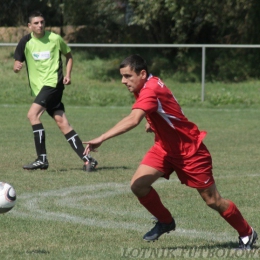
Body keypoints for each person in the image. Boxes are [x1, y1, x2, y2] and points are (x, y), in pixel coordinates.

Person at [83, 54, 257, 249]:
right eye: (122, 76)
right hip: (164, 148)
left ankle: (247, 233)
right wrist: (153, 123)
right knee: (138, 185)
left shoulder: (150, 89)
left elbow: (133, 119)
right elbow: (162, 108)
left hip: (190, 152)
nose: (123, 81)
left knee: (213, 200)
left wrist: (101, 138)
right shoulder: (147, 83)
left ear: (142, 73)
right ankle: (166, 221)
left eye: (127, 76)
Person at [13, 11, 97, 172]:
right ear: (29, 26)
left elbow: (69, 56)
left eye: (42, 22)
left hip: (53, 84)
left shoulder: (55, 39)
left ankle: (41, 159)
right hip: (40, 89)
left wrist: (68, 74)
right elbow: (17, 62)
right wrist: (16, 67)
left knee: (33, 115)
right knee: (62, 123)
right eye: (36, 23)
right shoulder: (25, 42)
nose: (40, 25)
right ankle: (88, 160)